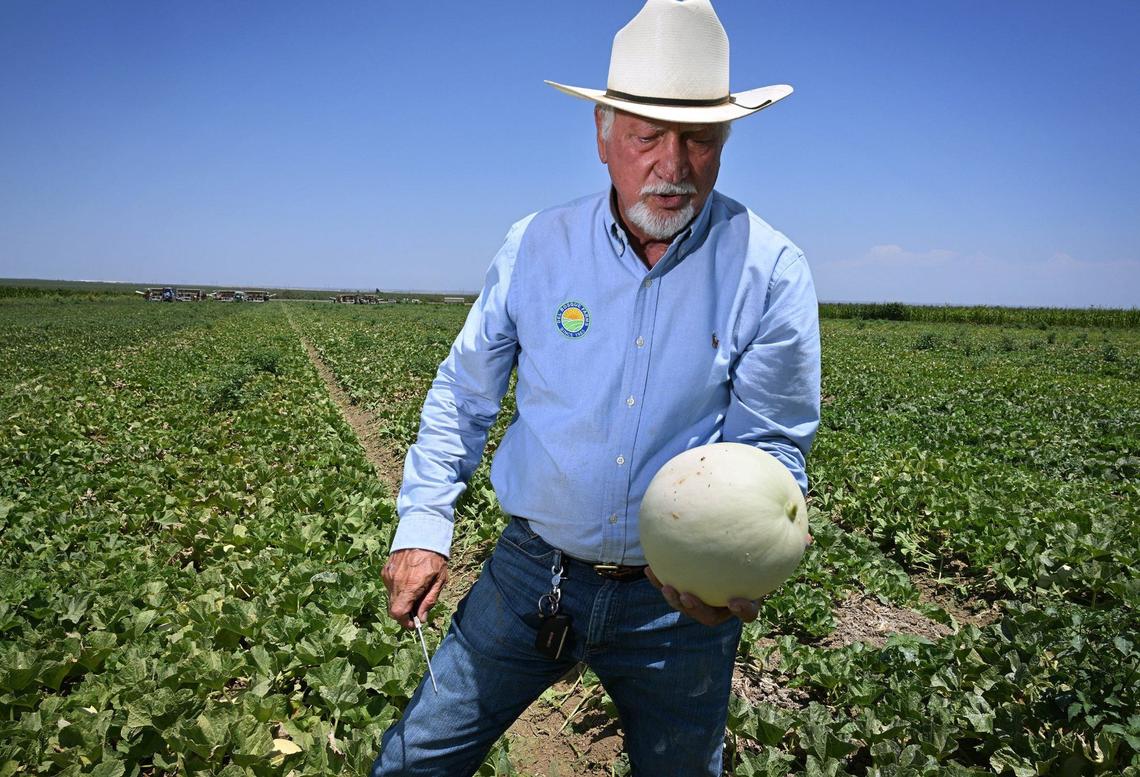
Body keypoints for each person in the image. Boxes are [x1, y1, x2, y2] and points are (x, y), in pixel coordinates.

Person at [371, 1, 820, 774]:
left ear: (726, 142)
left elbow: (769, 448)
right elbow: (463, 394)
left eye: (699, 139)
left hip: (677, 606)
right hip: (530, 574)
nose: (673, 165)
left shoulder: (770, 269)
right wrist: (422, 523)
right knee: (416, 761)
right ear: (604, 134)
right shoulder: (537, 245)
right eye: (647, 136)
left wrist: (738, 567)